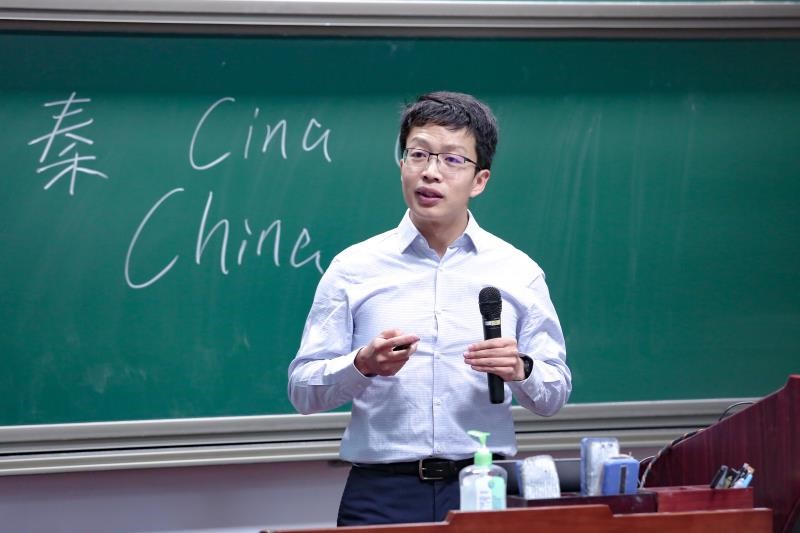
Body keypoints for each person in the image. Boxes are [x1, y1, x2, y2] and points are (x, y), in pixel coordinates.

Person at [288, 91, 571, 526]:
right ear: (402, 163)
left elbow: (555, 393)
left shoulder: (518, 271)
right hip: (381, 494)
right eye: (418, 154)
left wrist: (522, 368)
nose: (430, 172)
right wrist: (361, 365)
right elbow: (303, 390)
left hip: (483, 488)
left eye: (452, 159)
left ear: (479, 180)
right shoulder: (353, 268)